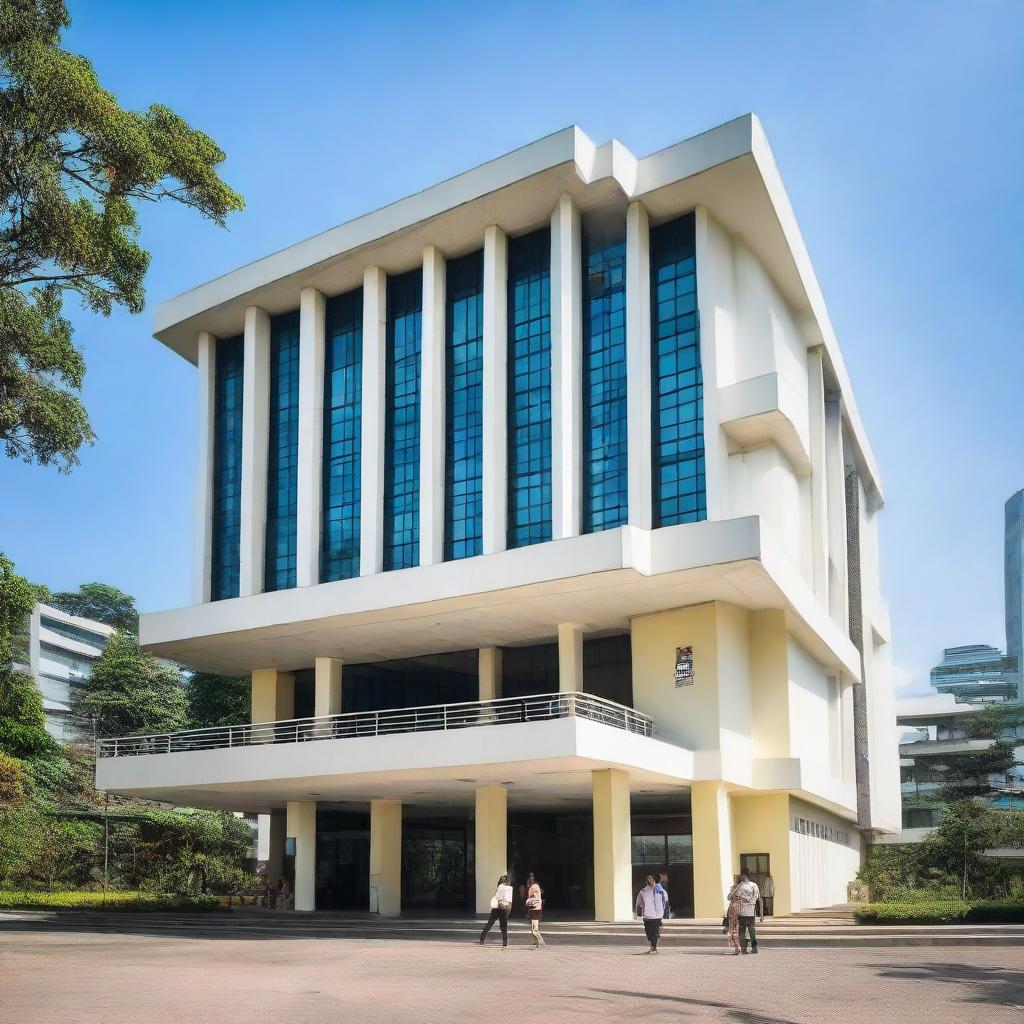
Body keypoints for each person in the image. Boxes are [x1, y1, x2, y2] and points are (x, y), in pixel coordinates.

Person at [635, 874, 668, 954]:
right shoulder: (643, 892)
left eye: (651, 878)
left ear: (654, 880)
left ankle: (654, 947)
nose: (650, 880)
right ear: (646, 881)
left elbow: (665, 901)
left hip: (657, 916)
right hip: (648, 916)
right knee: (649, 932)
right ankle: (653, 946)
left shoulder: (661, 891)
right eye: (648, 879)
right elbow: (639, 902)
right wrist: (639, 911)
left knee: (655, 933)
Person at [731, 871, 763, 953]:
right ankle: (755, 948)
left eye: (742, 876)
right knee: (752, 933)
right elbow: (759, 898)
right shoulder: (755, 885)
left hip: (742, 913)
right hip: (751, 913)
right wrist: (761, 915)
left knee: (741, 932)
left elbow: (734, 895)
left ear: (744, 877)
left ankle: (743, 949)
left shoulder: (741, 886)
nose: (741, 878)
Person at [479, 874, 514, 947]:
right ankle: (505, 942)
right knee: (503, 926)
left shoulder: (501, 887)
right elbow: (509, 900)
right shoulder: (509, 888)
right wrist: (509, 909)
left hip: (498, 908)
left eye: (503, 880)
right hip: (503, 908)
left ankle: (482, 939)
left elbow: (497, 897)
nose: (502, 881)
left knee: (491, 924)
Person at [525, 874, 545, 948]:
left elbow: (533, 896)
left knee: (534, 928)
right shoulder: (533, 887)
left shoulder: (534, 887)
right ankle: (536, 941)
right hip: (532, 908)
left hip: (535, 909)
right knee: (532, 927)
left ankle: (541, 942)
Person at [724, 881, 742, 955]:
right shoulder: (740, 898)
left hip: (734, 916)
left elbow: (728, 897)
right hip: (739, 915)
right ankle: (738, 948)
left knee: (734, 931)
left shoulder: (734, 901)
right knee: (737, 932)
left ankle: (737, 948)